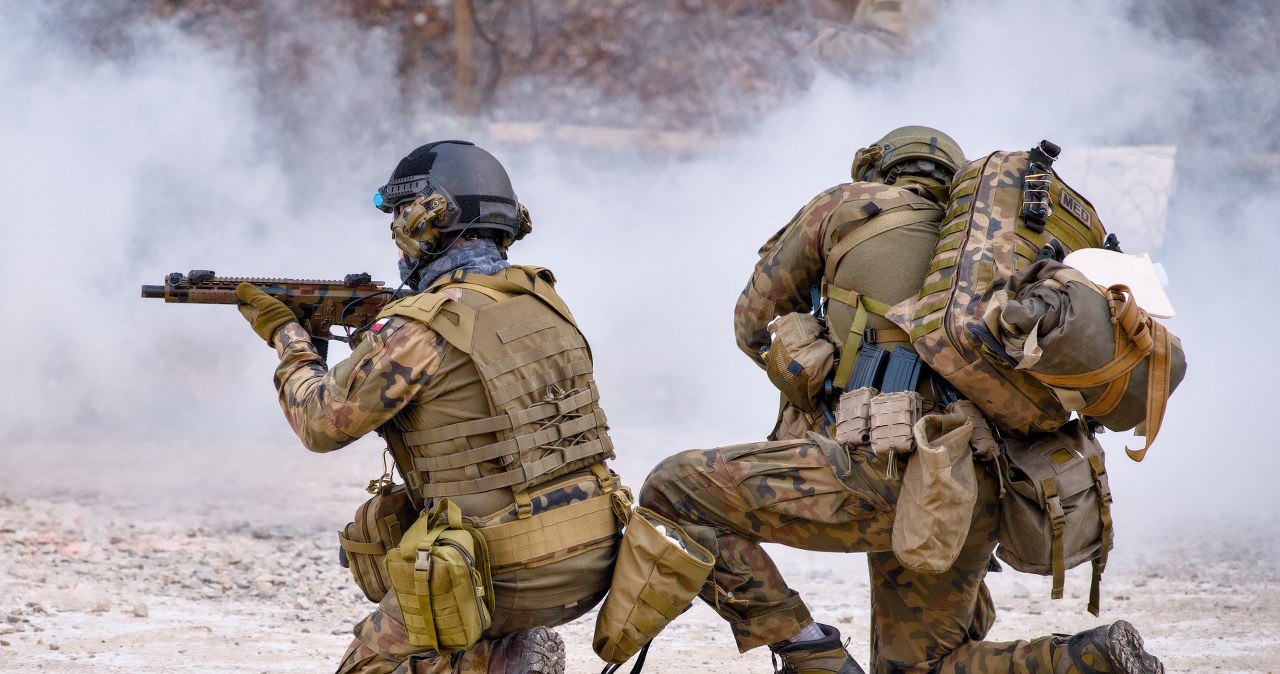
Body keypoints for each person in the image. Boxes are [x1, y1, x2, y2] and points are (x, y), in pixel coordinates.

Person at [638, 127, 1166, 673]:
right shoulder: (996, 253)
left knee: (673, 491)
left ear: (880, 168)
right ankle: (1089, 660)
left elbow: (753, 323)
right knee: (922, 667)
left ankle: (809, 654)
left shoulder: (847, 204)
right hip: (983, 482)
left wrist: (816, 356)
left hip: (883, 468)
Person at [235, 140, 625, 674]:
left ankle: (493, 651)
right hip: (592, 555)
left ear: (426, 219)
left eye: (399, 216)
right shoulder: (543, 298)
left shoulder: (420, 328)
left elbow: (320, 425)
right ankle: (506, 652)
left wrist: (289, 339)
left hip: (500, 568)